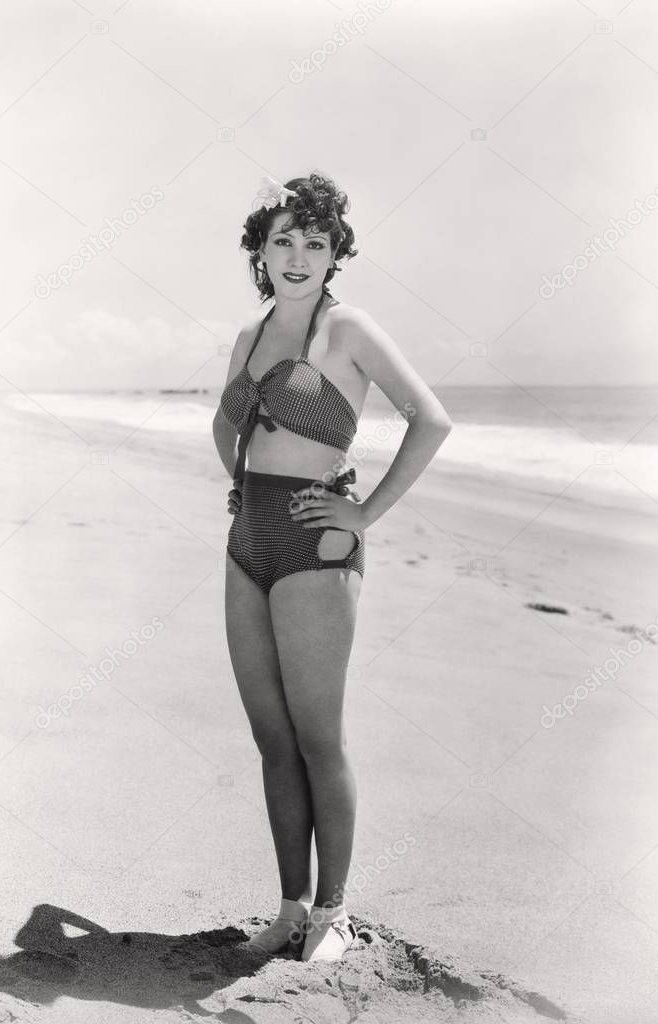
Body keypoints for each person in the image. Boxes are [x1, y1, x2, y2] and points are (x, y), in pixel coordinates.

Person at [212, 172, 453, 962]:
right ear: (261, 248)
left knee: (319, 737)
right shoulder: (250, 337)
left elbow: (433, 419)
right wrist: (239, 484)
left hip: (319, 546)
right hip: (249, 539)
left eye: (316, 242)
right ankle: (288, 910)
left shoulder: (347, 330)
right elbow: (224, 420)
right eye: (284, 239)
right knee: (270, 737)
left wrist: (362, 511)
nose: (299, 255)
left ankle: (333, 915)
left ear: (334, 254)